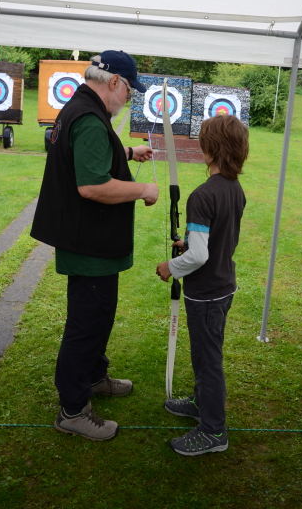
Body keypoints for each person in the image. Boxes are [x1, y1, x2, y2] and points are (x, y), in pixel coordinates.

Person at [31, 50, 159, 441]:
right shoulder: (88, 118)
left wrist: (128, 152)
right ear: (115, 82)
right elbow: (92, 184)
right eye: (129, 90)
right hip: (90, 244)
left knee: (98, 316)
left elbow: (88, 156)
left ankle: (93, 376)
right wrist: (143, 189)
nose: (129, 98)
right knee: (87, 323)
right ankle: (73, 409)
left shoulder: (82, 109)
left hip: (92, 240)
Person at [156, 114, 249, 456]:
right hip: (223, 288)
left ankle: (213, 431)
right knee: (207, 357)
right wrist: (191, 244)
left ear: (209, 149)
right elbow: (212, 240)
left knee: (207, 361)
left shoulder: (202, 195)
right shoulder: (233, 189)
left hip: (207, 294)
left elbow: (198, 257)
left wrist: (171, 266)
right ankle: (200, 402)